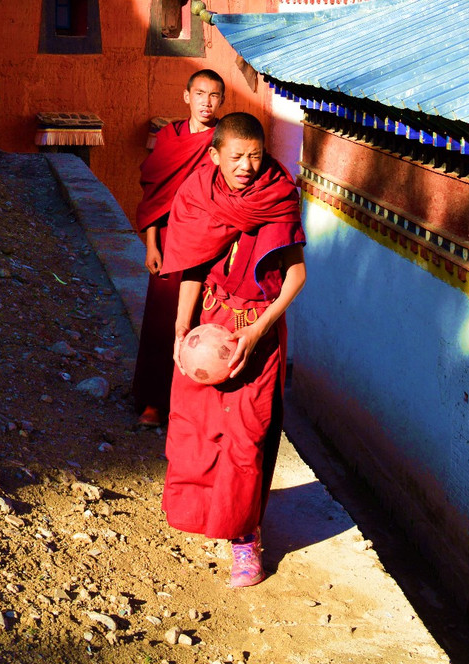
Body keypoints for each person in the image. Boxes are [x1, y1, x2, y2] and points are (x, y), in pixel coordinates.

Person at [158, 111, 306, 587]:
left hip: (254, 336)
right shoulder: (199, 197)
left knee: (247, 440)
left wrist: (258, 331)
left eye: (256, 157)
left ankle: (245, 540)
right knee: (198, 433)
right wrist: (181, 331)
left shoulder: (277, 198)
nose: (246, 166)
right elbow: (193, 270)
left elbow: (296, 277)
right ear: (215, 153)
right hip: (209, 326)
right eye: (237, 156)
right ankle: (209, 515)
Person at [132, 69, 226, 427]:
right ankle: (153, 402)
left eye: (214, 96)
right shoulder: (170, 138)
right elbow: (155, 194)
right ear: (187, 96)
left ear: (222, 101)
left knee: (205, 321)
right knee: (162, 321)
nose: (206, 102)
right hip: (171, 240)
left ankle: (194, 406)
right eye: (200, 93)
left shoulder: (223, 138)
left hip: (212, 240)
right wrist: (151, 245)